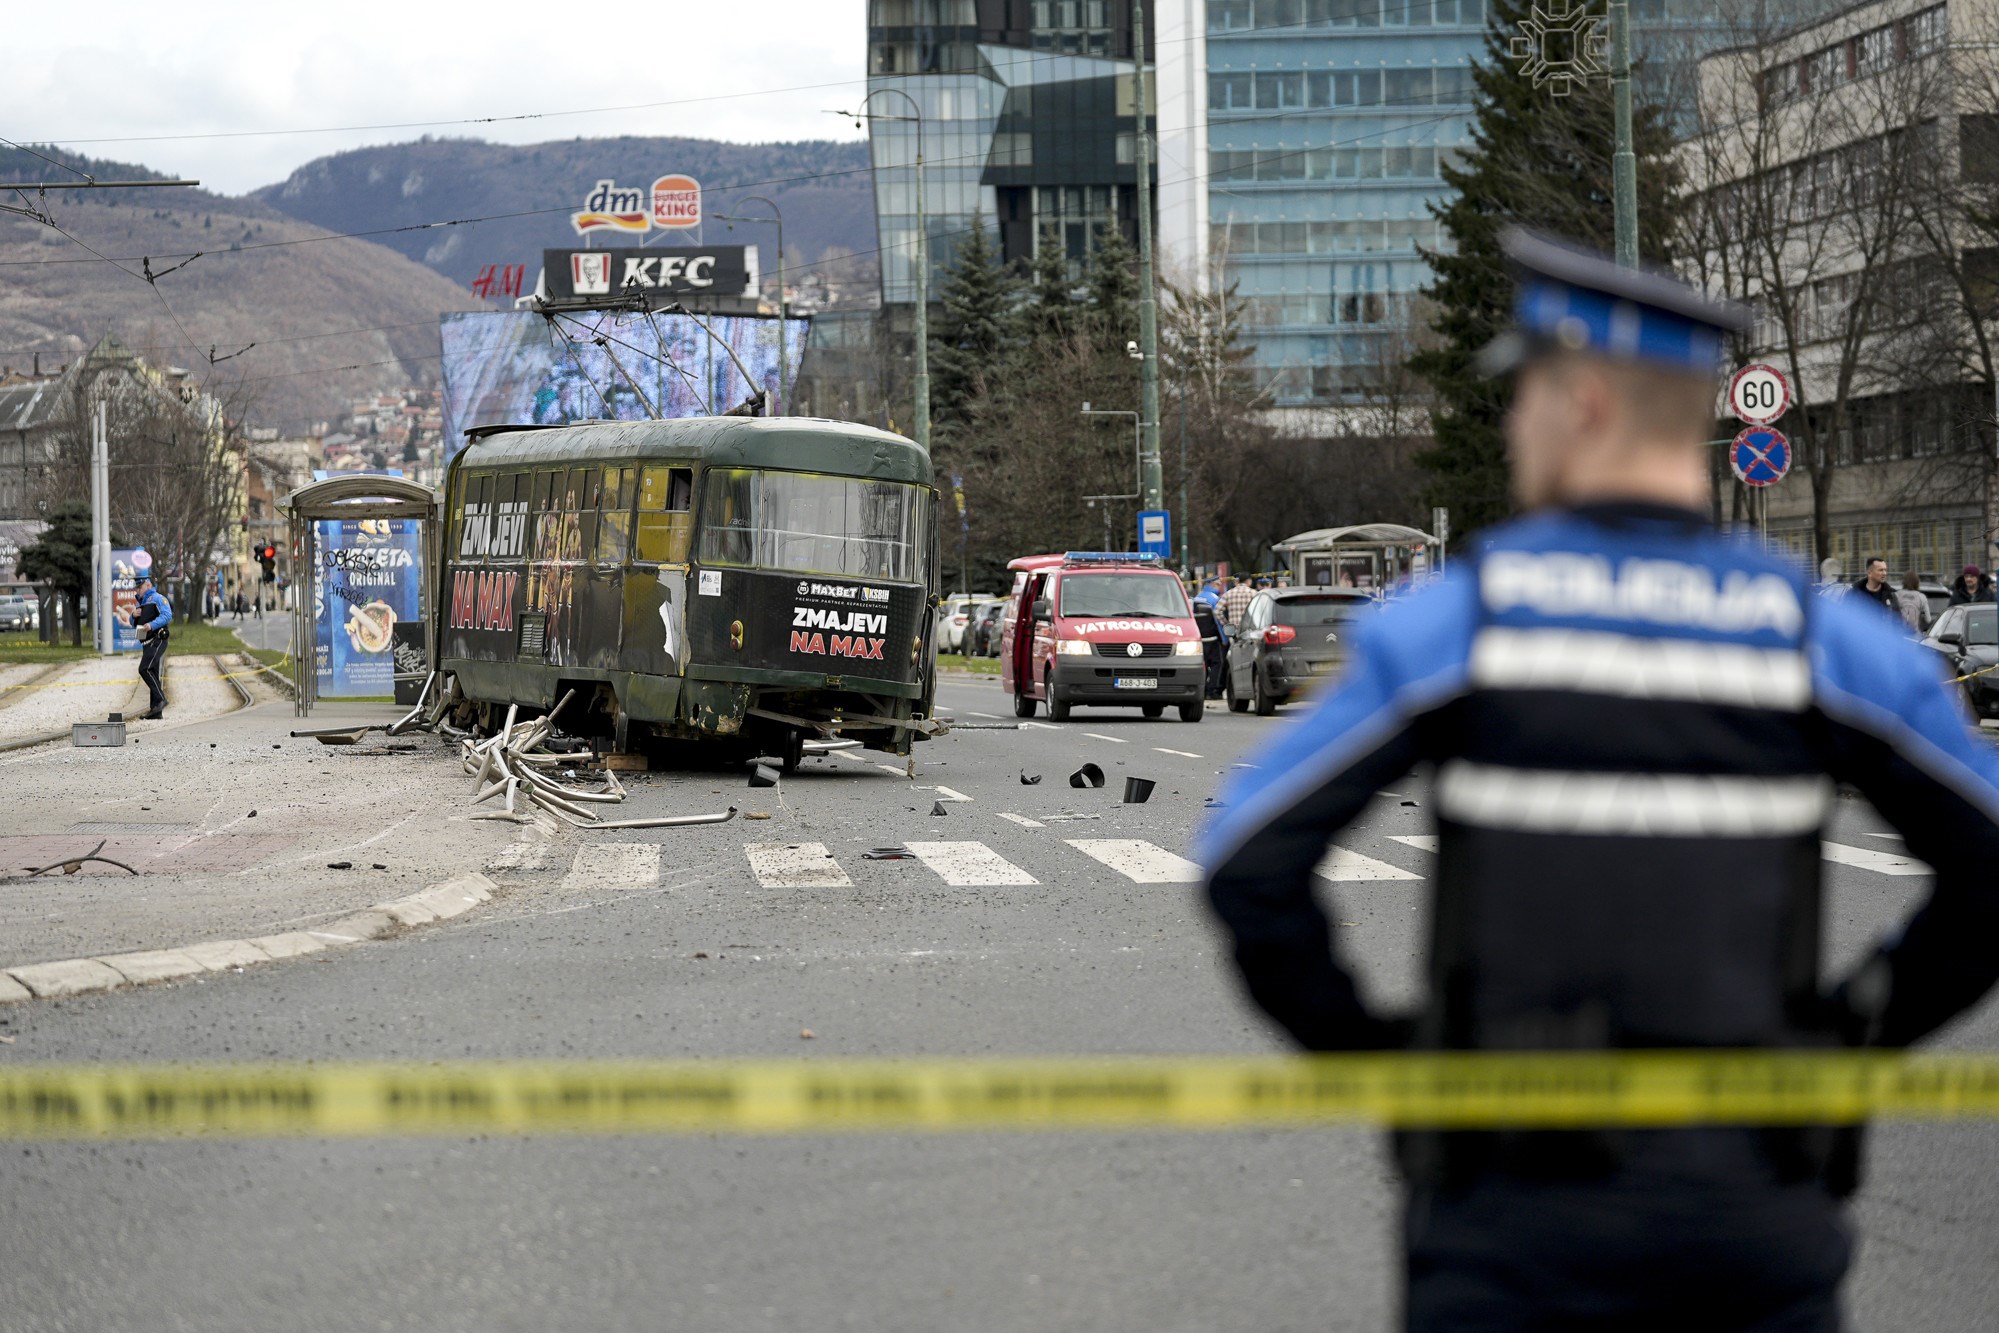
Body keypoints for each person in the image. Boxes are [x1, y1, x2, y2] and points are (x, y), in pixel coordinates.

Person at [1199, 228, 1999, 1331]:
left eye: (1522, 397)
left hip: (1510, 1220)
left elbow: (1245, 858)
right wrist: (1847, 1039)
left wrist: (1383, 1060)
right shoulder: (1817, 637)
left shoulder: (1465, 623)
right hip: (1751, 1216)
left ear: (1580, 404)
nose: (1512, 426)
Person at [115, 573, 174, 720]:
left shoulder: (158, 598)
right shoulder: (139, 603)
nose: (137, 590)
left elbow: (167, 615)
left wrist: (151, 625)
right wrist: (133, 616)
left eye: (139, 587)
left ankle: (161, 699)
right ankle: (155, 710)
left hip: (157, 639)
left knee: (144, 669)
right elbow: (133, 623)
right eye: (137, 588)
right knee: (152, 672)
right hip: (146, 642)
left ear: (148, 585)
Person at [1895, 571, 1932, 635]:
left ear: (1903, 582)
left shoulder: (1896, 595)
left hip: (1898, 634)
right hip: (1914, 634)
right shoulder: (1921, 597)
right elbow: (1928, 620)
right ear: (1917, 582)